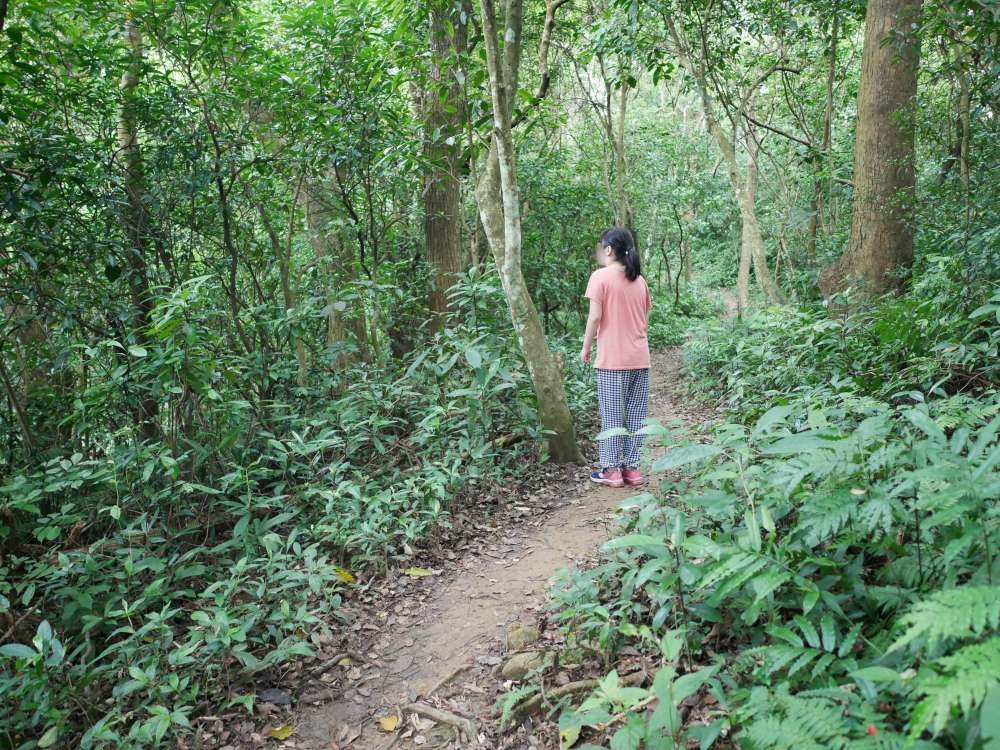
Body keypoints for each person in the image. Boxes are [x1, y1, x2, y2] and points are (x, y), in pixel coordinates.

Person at [580, 227, 651, 488]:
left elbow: (595, 317)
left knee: (612, 415)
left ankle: (611, 470)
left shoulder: (600, 277)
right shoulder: (639, 280)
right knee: (636, 415)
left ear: (609, 249)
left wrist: (586, 347)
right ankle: (631, 468)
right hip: (640, 357)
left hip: (612, 359)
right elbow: (644, 319)